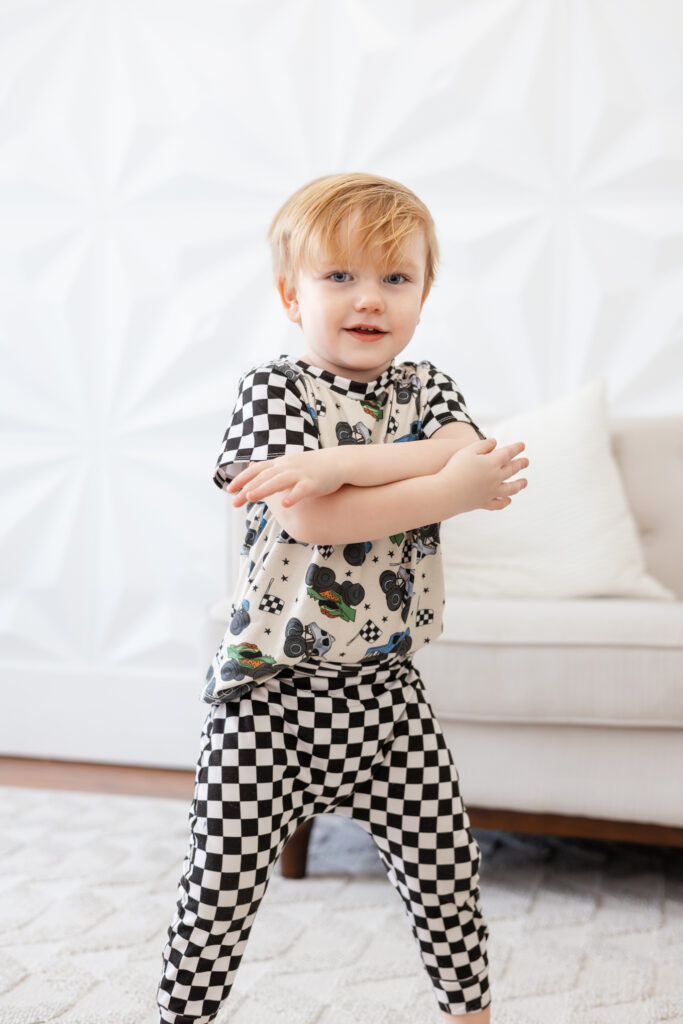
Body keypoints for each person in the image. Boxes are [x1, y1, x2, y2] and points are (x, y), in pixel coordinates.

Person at [157, 171, 529, 1023]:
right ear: (292, 296)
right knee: (217, 886)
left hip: (387, 696)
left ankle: (469, 1013)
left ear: (423, 296)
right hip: (268, 698)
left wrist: (336, 463)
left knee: (446, 873)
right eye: (339, 276)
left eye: (396, 277)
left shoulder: (426, 387)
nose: (369, 298)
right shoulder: (273, 390)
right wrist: (444, 485)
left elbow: (463, 446)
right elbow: (311, 519)